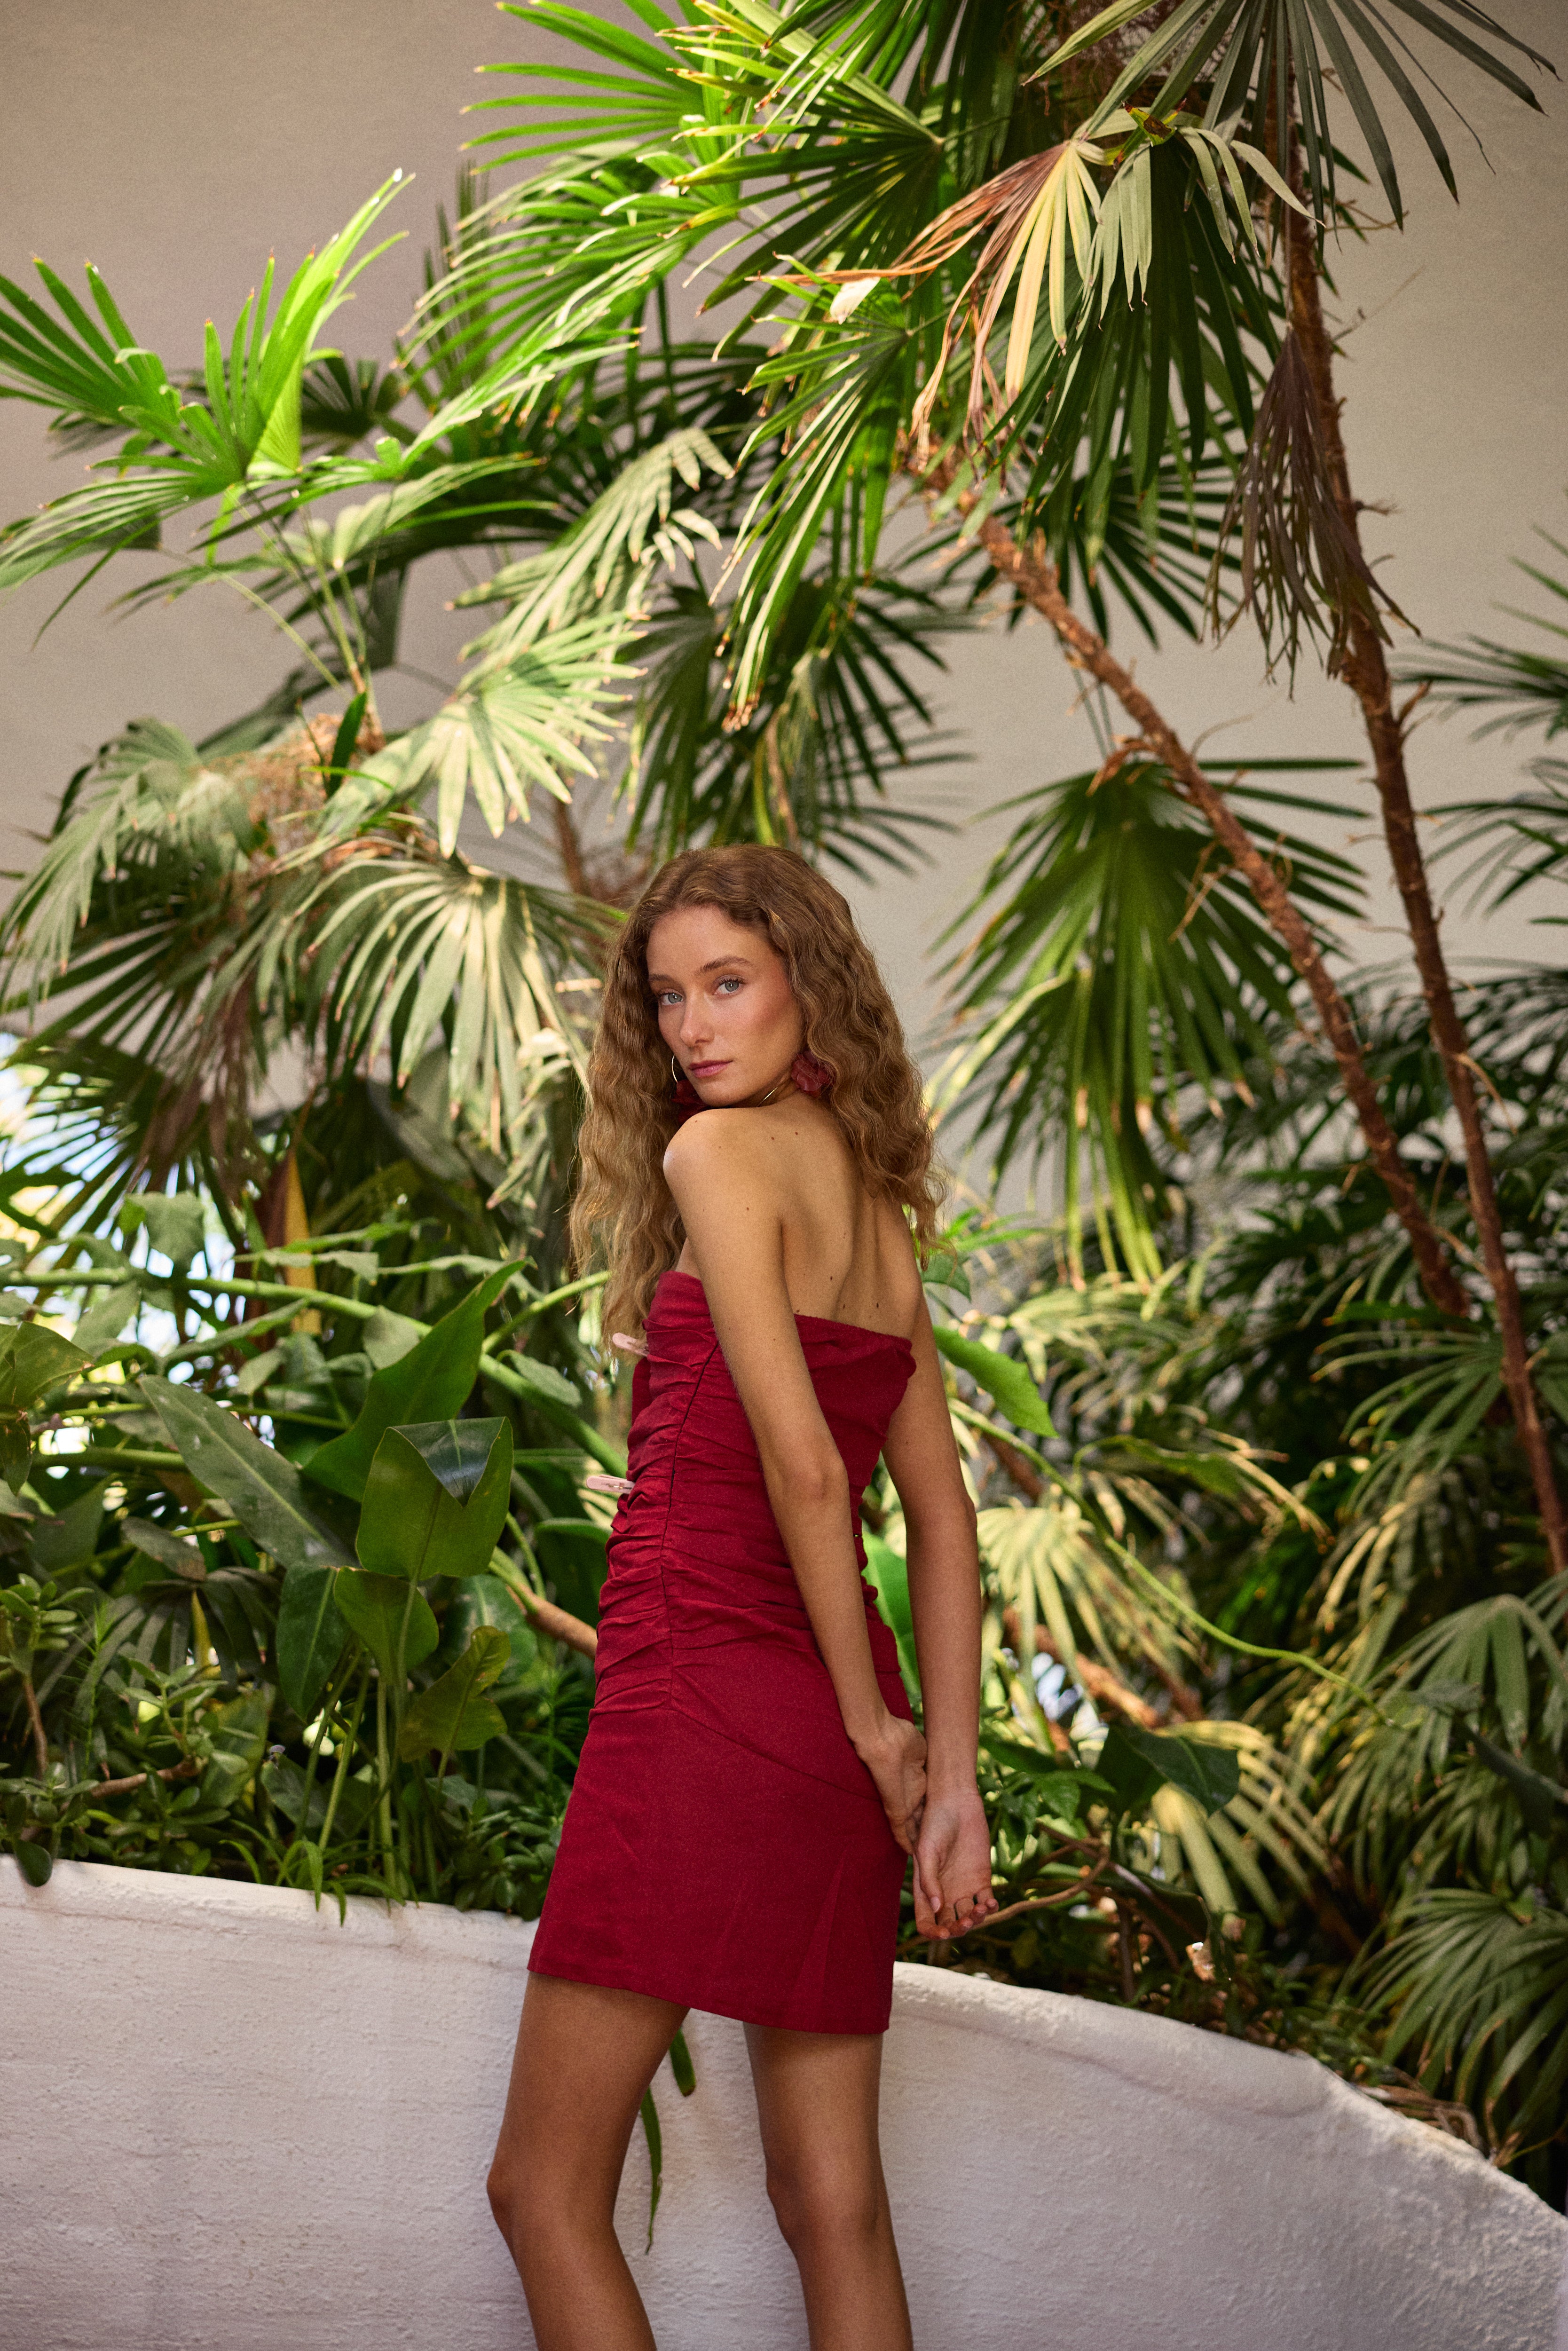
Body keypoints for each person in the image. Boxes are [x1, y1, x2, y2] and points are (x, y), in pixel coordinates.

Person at [487, 844, 997, 2350]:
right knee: (836, 2207)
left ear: (806, 986)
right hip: (830, 1724)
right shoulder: (880, 1218)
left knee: (541, 2188)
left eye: (728, 983)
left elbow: (806, 1471)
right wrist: (941, 1764)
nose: (694, 1027)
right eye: (667, 998)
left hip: (706, 1691)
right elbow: (947, 1521)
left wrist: (881, 1732)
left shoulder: (717, 1157)